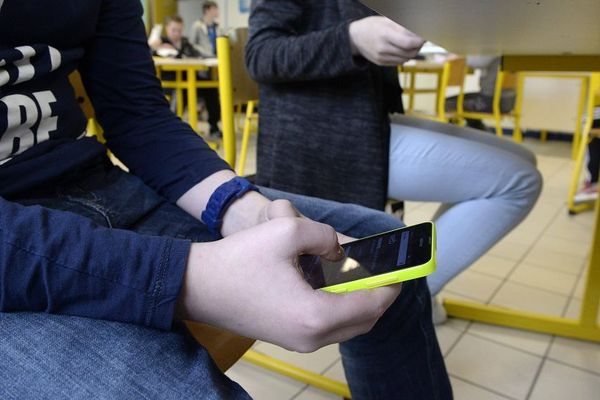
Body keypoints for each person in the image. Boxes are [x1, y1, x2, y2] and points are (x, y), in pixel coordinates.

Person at [0, 0, 451, 398]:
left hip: (95, 183)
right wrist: (189, 278)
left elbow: (138, 115)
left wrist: (242, 209)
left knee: (384, 254)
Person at [245, 0, 543, 319]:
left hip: (367, 119)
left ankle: (406, 285)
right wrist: (352, 38)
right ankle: (404, 302)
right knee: (520, 181)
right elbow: (260, 55)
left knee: (522, 158)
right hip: (320, 137)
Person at [149, 15, 222, 136]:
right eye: (174, 30)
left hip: (190, 77)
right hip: (171, 81)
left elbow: (195, 54)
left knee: (210, 87)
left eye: (179, 30)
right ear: (167, 29)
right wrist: (154, 48)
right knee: (181, 92)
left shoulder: (185, 42)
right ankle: (172, 130)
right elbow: (149, 54)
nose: (177, 33)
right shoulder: (161, 41)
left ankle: (214, 126)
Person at [445, 56, 516, 131]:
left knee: (447, 103)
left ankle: (451, 134)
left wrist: (459, 56)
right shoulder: (511, 55)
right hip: (509, 102)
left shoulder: (494, 50)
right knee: (465, 107)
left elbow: (476, 62)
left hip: (489, 102)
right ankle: (482, 133)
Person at [574, 106, 600, 203]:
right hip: (595, 136)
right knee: (593, 160)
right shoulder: (594, 109)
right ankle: (593, 183)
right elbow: (585, 126)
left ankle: (593, 183)